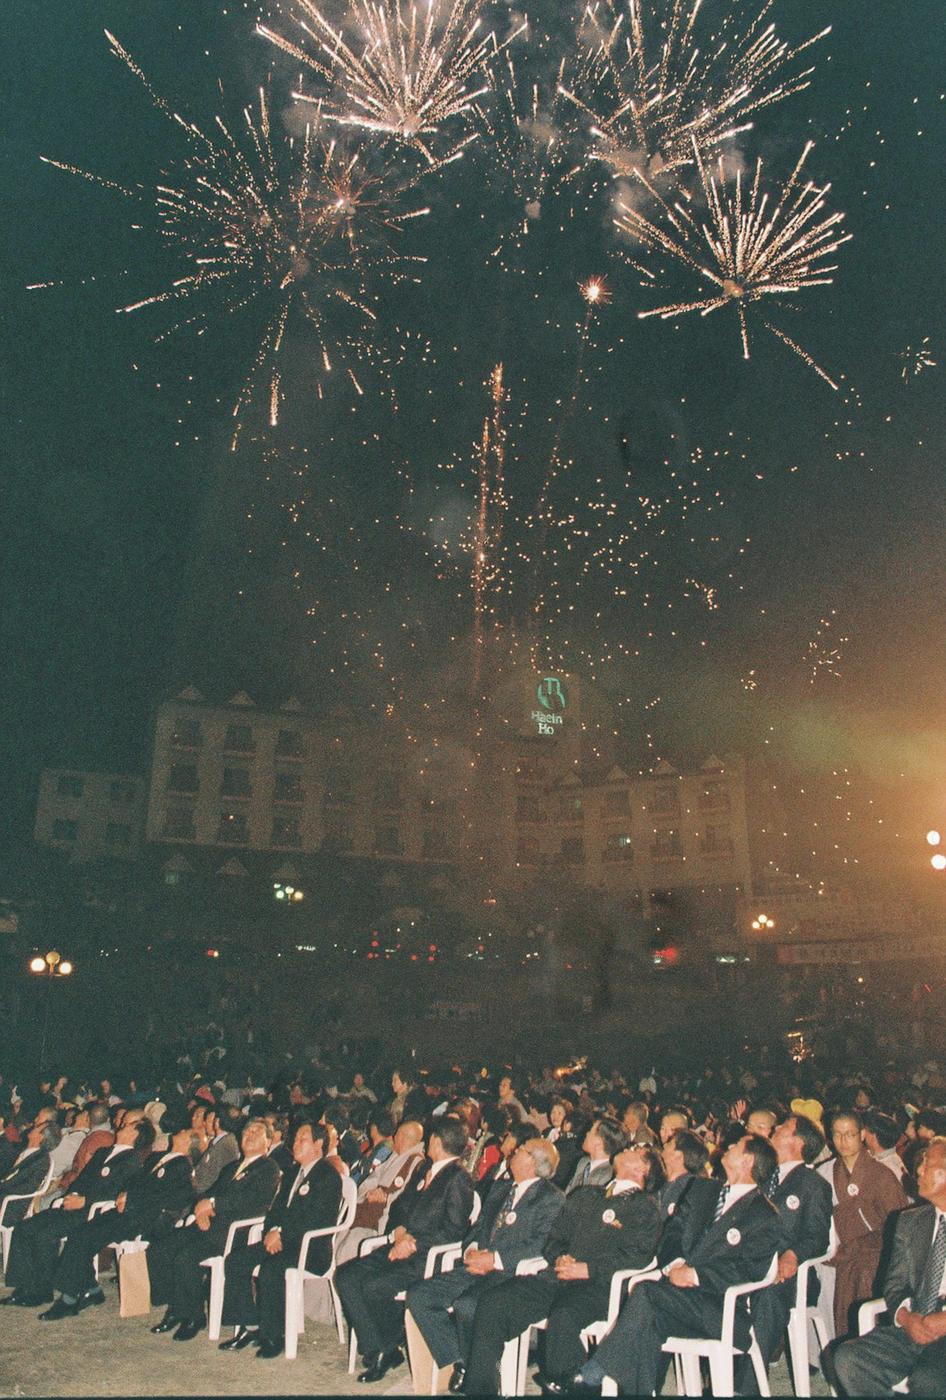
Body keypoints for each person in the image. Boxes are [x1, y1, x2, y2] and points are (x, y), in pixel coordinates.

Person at [568, 1134, 783, 1398]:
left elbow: (750, 1271)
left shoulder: (763, 1214)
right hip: (676, 1299)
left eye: (735, 1145)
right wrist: (677, 1262)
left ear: (748, 1160)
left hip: (720, 1309)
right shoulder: (703, 1190)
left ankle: (596, 1369)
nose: (728, 1145)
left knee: (646, 1293)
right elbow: (671, 1235)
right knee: (646, 1321)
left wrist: (696, 1275)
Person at [459, 1142, 663, 1395]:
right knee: (494, 1302)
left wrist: (589, 1269)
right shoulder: (587, 1194)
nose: (628, 1147)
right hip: (555, 1277)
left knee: (563, 1317)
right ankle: (482, 1392)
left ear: (644, 1167)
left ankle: (575, 1388)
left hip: (597, 1286)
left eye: (637, 1148)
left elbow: (638, 1256)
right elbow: (554, 1238)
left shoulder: (645, 1207)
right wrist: (559, 1257)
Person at [406, 1137, 564, 1393]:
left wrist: (494, 1259)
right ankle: (462, 1361)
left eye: (521, 1149)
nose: (514, 1150)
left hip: (509, 1274)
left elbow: (542, 1244)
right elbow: (478, 1227)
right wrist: (471, 1250)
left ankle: (482, 1384)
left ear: (533, 1162)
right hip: (476, 1266)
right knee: (420, 1296)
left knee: (467, 1305)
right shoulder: (501, 1188)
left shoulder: (551, 1198)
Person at [335, 1117, 474, 1383]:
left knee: (374, 1286)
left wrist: (414, 1243)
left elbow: (455, 1229)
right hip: (399, 1244)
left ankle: (385, 1347)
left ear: (436, 1141)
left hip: (426, 1257)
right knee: (347, 1276)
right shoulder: (424, 1169)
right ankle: (384, 1347)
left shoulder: (458, 1178)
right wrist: (398, 1230)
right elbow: (400, 1206)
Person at [39, 1120, 195, 1319]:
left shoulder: (182, 1165)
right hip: (126, 1210)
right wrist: (124, 1194)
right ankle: (92, 1290)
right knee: (80, 1233)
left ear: (190, 1145)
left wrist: (131, 1199)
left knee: (85, 1238)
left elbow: (165, 1195)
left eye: (185, 1132)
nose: (180, 1130)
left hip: (144, 1218)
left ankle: (68, 1299)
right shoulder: (157, 1157)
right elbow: (135, 1181)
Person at [831, 1136, 946, 1398]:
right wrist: (907, 1318)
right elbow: (894, 1285)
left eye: (927, 1164)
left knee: (929, 1379)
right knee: (850, 1358)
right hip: (913, 1326)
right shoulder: (910, 1221)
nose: (918, 1170)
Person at [147, 1117, 282, 1341]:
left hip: (234, 1232)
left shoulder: (268, 1168)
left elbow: (249, 1201)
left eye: (257, 1133)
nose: (249, 1135)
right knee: (161, 1249)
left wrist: (212, 1205)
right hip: (209, 1223)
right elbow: (210, 1191)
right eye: (246, 1132)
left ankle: (194, 1316)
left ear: (268, 1142)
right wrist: (202, 1208)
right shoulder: (232, 1167)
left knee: (185, 1258)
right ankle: (176, 1307)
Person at [219, 1119, 342, 1357]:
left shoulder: (328, 1175)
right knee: (235, 1260)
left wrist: (282, 1234)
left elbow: (316, 1219)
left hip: (310, 1249)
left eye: (302, 1139)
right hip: (281, 1240)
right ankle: (251, 1324)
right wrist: (272, 1230)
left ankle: (274, 1336)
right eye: (295, 1139)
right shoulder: (293, 1172)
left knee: (271, 1269)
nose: (295, 1143)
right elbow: (275, 1210)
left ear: (318, 1144)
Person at [1, 1113, 146, 1307]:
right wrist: (72, 1195)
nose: (123, 1124)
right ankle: (27, 1286)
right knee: (26, 1227)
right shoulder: (103, 1152)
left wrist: (85, 1201)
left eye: (130, 1124)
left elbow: (117, 1192)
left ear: (135, 1135)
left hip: (94, 1213)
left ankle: (41, 1290)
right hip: (75, 1205)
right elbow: (82, 1179)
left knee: (45, 1235)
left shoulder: (132, 1160)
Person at [745, 1113, 833, 1387]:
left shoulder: (813, 1184)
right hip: (748, 1265)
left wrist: (792, 1255)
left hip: (789, 1278)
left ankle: (747, 1387)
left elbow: (818, 1237)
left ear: (797, 1141)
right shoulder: (759, 1175)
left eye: (781, 1128)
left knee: (767, 1294)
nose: (774, 1130)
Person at [820, 1110, 909, 1336]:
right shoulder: (825, 1173)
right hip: (841, 1257)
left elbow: (898, 1225)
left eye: (850, 1134)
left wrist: (860, 1245)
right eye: (838, 1134)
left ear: (862, 1135)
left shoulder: (882, 1175)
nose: (843, 1140)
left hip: (875, 1258)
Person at [337, 1119, 426, 1265]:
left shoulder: (417, 1163)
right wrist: (370, 1192)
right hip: (366, 1207)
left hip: (382, 1221)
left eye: (396, 1134)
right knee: (339, 1234)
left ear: (401, 1136)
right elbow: (372, 1179)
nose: (393, 1138)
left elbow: (405, 1200)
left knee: (352, 1243)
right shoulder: (394, 1156)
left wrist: (385, 1196)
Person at [0, 1119, 58, 1224]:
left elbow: (26, 1188)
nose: (33, 1126)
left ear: (41, 1137)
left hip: (9, 1205)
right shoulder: (23, 1149)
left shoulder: (42, 1161)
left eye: (38, 1127)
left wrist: (2, 1186)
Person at [565, 1118, 626, 1194]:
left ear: (598, 1143)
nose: (587, 1133)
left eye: (590, 1131)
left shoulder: (608, 1175)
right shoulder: (583, 1162)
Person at [192, 1107, 239, 1193]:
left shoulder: (225, 1145)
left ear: (217, 1122)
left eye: (210, 1121)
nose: (205, 1124)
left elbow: (209, 1178)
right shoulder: (220, 1141)